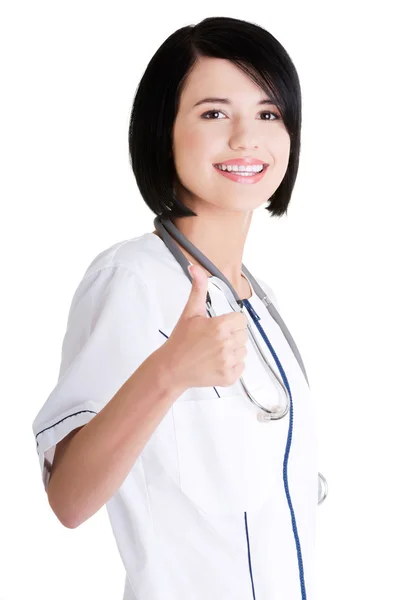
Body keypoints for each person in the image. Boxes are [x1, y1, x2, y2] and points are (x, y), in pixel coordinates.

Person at [32, 16, 319, 600]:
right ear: (163, 129)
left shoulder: (258, 301)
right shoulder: (132, 279)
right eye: (214, 113)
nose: (246, 138)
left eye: (268, 114)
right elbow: (68, 499)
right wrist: (169, 372)